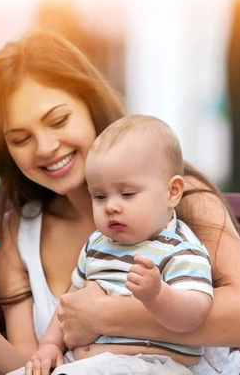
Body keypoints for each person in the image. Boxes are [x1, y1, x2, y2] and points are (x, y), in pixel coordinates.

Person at [0, 31, 240, 375]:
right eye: (20, 139)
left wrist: (104, 315)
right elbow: (30, 367)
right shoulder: (17, 235)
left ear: (89, 103)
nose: (46, 147)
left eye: (59, 119)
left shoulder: (182, 200)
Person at [25, 115, 214, 375]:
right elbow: (70, 303)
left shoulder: (181, 250)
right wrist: (49, 344)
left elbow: (193, 316)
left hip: (152, 367)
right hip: (88, 365)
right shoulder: (96, 245)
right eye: (100, 196)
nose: (111, 206)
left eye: (127, 194)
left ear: (172, 192)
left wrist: (158, 295)